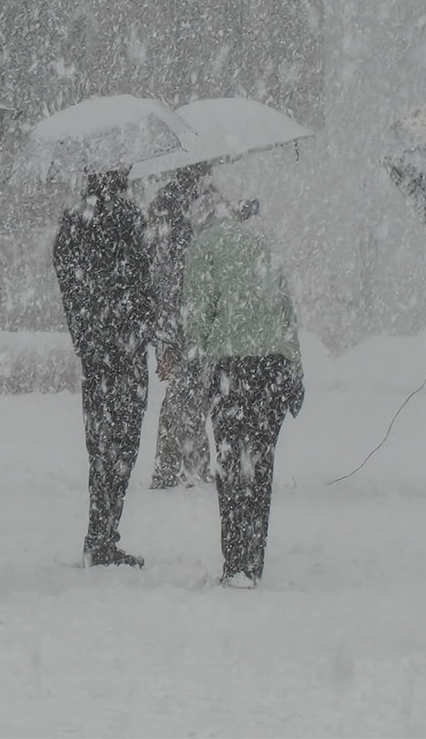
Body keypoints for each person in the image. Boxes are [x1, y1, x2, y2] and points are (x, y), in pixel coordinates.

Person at [181, 210, 304, 587]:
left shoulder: (202, 249)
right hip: (274, 367)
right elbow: (285, 311)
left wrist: (195, 367)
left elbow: (198, 313)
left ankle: (235, 562)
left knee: (231, 462)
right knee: (260, 463)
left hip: (233, 368)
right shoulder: (261, 245)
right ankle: (254, 559)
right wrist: (295, 369)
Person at [53, 167, 163, 568]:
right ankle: (104, 533)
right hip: (126, 349)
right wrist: (142, 325)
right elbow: (151, 283)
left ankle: (97, 534)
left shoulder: (73, 223)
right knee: (123, 442)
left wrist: (83, 329)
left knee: (99, 444)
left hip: (96, 352)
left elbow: (67, 278)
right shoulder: (132, 220)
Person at [146, 167, 211, 489]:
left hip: (181, 318)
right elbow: (168, 273)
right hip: (188, 318)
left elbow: (156, 270)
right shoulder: (183, 206)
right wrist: (168, 339)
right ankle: (185, 468)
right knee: (187, 394)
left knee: (186, 394)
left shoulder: (168, 205)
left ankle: (176, 467)